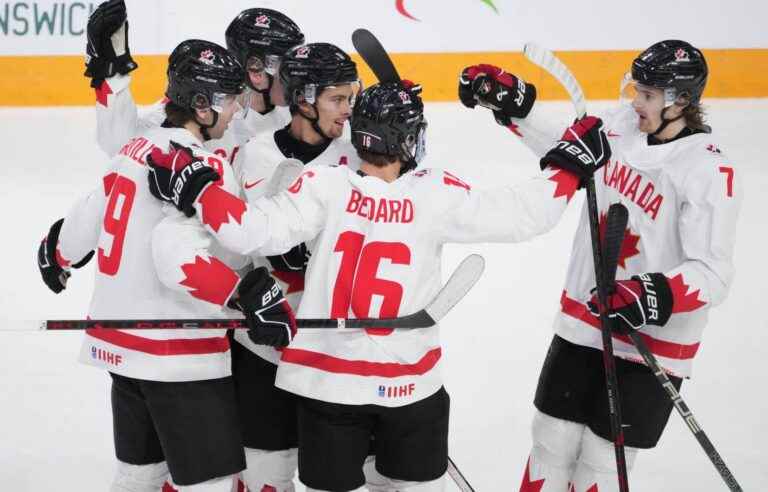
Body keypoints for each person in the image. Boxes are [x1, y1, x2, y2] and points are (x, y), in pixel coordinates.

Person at [145, 74, 612, 490]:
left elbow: (246, 230)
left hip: (327, 386)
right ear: (409, 140)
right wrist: (569, 166)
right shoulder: (434, 193)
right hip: (408, 384)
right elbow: (526, 214)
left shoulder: (322, 185)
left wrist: (202, 190)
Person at [458, 40, 743, 491]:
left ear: (682, 101)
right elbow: (570, 148)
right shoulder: (620, 126)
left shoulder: (709, 171)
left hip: (651, 341)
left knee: (601, 462)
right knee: (549, 441)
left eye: (649, 95)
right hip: (585, 319)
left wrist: (651, 294)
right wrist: (515, 105)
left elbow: (714, 272)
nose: (636, 102)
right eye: (638, 90)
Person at [37, 39, 295, 491]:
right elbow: (180, 261)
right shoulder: (205, 164)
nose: (237, 111)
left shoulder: (137, 146)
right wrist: (242, 294)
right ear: (201, 105)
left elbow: (91, 213)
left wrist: (59, 252)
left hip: (119, 349)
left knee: (139, 477)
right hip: (179, 355)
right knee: (211, 483)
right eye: (230, 100)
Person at [225, 41, 362, 491]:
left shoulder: (359, 157)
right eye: (338, 99)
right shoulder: (255, 154)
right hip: (263, 343)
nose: (348, 110)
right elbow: (256, 251)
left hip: (333, 349)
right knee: (266, 473)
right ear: (304, 99)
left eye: (352, 98)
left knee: (340, 476)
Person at [84, 1, 304, 161]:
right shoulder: (200, 106)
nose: (293, 76)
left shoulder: (299, 117)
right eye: (283, 66)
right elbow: (119, 143)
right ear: (255, 71)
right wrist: (111, 74)